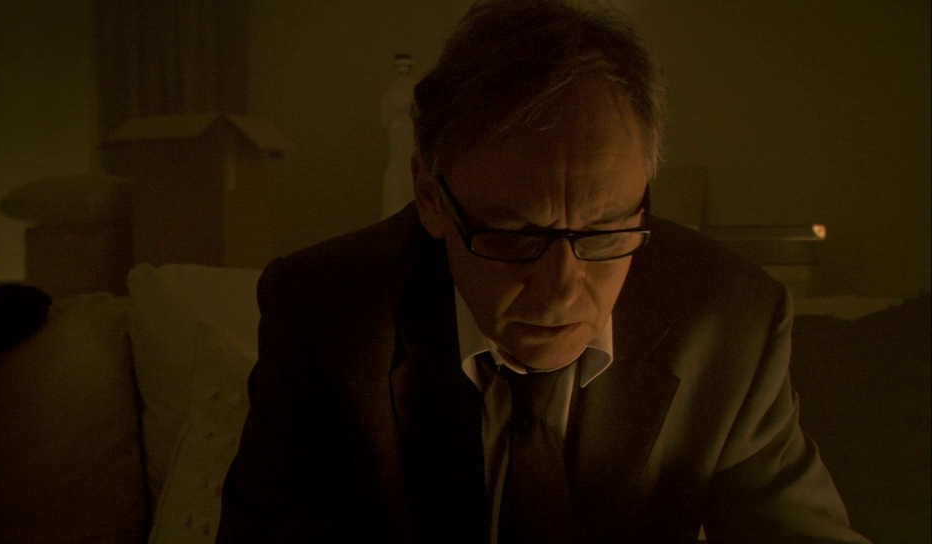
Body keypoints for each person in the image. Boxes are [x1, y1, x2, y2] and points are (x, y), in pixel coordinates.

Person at [217, 1, 869, 542]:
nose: (562, 290)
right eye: (516, 236)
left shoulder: (731, 322)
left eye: (605, 229)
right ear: (429, 195)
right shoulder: (321, 315)